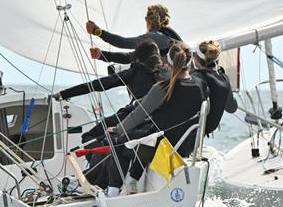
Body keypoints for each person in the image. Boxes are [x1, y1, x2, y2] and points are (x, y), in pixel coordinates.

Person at [84, 42, 207, 196]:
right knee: (143, 134)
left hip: (162, 149)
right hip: (186, 146)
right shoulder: (200, 84)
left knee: (119, 141)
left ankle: (113, 192)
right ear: (190, 62)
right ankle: (132, 182)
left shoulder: (163, 88)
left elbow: (137, 116)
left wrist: (117, 129)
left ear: (167, 62)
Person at [54, 40, 168, 142]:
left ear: (137, 58)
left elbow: (98, 84)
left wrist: (63, 94)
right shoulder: (168, 73)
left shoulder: (136, 71)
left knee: (88, 138)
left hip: (134, 115)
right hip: (161, 123)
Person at [86, 4, 182, 64]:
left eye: (145, 18)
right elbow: (129, 58)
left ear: (150, 20)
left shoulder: (157, 37)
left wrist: (97, 31)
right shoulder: (168, 35)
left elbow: (123, 43)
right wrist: (102, 55)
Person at [191, 40, 237, 136]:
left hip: (188, 133)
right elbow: (232, 108)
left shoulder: (194, 78)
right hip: (202, 133)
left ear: (196, 59)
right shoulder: (224, 80)